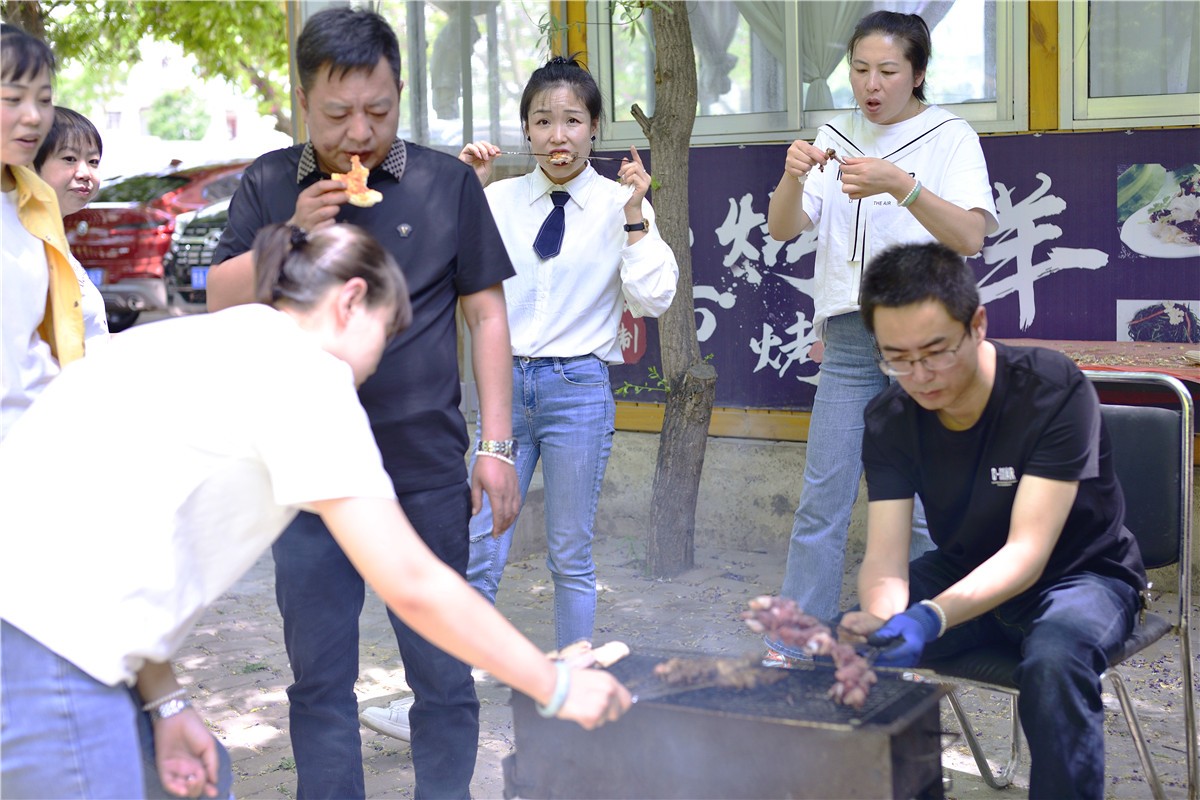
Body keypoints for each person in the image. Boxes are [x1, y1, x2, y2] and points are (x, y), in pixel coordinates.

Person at [0, 222, 631, 800]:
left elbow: (104, 545)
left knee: (209, 782)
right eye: (385, 335)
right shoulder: (303, 374)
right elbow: (411, 581)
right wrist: (554, 685)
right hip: (50, 654)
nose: (377, 365)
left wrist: (165, 704)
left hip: (43, 632)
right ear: (351, 300)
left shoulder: (195, 339)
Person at [204, 8, 519, 797]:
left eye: (378, 111)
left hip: (423, 464)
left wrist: (497, 445)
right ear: (303, 101)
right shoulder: (269, 182)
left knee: (443, 667)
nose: (359, 133)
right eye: (338, 113)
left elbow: (486, 315)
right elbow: (217, 298)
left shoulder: (447, 183)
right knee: (319, 678)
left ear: (400, 92)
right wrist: (288, 233)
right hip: (305, 470)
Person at [838, 241, 1146, 799]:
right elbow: (884, 557)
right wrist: (886, 620)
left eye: (935, 352)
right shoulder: (890, 418)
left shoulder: (1050, 389)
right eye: (897, 358)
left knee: (1056, 662)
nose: (919, 375)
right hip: (965, 573)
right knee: (840, 650)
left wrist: (930, 617)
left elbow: (1028, 551)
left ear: (977, 324)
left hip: (1080, 577)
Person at [764, 11, 999, 653]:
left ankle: (921, 641)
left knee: (923, 502)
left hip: (924, 343)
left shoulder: (949, 135)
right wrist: (791, 174)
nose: (871, 84)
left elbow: (971, 236)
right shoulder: (834, 133)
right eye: (860, 69)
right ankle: (793, 645)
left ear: (917, 74)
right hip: (848, 337)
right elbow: (783, 227)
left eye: (888, 70)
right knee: (822, 496)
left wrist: (902, 185)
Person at [1, 23, 85, 444]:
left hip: (38, 439)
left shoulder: (38, 199)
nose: (34, 116)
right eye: (13, 99)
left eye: (45, 100)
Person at [34, 105, 109, 348]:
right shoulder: (20, 245)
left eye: (93, 161)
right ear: (30, 164)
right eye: (69, 159)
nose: (85, 173)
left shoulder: (55, 240)